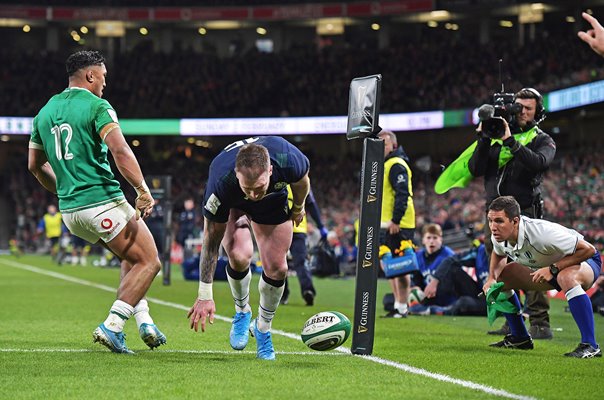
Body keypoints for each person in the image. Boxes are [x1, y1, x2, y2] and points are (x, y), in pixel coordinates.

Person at [28, 50, 166, 354]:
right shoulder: (97, 106)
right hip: (101, 200)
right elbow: (120, 151)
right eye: (102, 76)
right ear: (90, 75)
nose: (105, 83)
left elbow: (34, 166)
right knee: (151, 260)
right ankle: (113, 326)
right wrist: (142, 190)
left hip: (71, 211)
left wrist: (64, 190)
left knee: (130, 257)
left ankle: (143, 319)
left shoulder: (44, 112)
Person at [187, 136, 310, 360]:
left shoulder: (288, 158)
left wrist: (298, 207)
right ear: (236, 174)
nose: (254, 195)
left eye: (259, 187)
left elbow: (302, 181)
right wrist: (205, 294)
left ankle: (263, 328)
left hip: (273, 202)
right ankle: (242, 311)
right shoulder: (221, 182)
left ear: (271, 170)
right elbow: (211, 240)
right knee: (238, 255)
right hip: (234, 203)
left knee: (278, 268)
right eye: (249, 188)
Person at [468, 87, 556, 340]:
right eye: (519, 107)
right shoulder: (496, 133)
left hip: (525, 211)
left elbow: (539, 163)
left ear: (538, 112)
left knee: (533, 263)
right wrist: (484, 137)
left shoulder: (542, 138)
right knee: (499, 266)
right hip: (495, 213)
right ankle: (512, 323)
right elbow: (475, 169)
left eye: (529, 108)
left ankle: (540, 322)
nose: (523, 112)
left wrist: (511, 142)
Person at [483, 196, 601, 358]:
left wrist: (553, 268)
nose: (493, 227)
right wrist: (491, 278)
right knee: (501, 280)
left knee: (565, 277)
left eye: (498, 221)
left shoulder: (542, 233)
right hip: (545, 268)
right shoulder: (498, 235)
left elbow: (588, 250)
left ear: (515, 221)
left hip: (584, 261)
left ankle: (591, 345)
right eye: (490, 221)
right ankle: (520, 338)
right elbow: (498, 254)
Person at [377, 129, 416, 318]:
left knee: (402, 266)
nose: (380, 148)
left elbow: (402, 194)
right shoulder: (385, 165)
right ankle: (398, 305)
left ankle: (402, 307)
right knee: (391, 265)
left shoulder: (396, 164)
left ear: (393, 145)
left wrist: (396, 220)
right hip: (387, 223)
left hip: (399, 224)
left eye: (383, 144)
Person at [281, 187, 328, 306]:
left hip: (297, 228)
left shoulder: (300, 178)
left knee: (299, 261)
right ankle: (281, 294)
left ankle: (308, 291)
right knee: (281, 263)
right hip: (279, 228)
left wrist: (320, 225)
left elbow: (311, 203)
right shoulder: (279, 176)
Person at [407, 223, 455, 314]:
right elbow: (412, 276)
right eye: (428, 238)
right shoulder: (418, 256)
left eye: (435, 238)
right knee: (389, 299)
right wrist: (413, 287)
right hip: (425, 294)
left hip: (444, 296)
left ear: (441, 240)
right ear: (423, 240)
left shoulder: (449, 255)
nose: (431, 241)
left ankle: (428, 309)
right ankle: (424, 308)